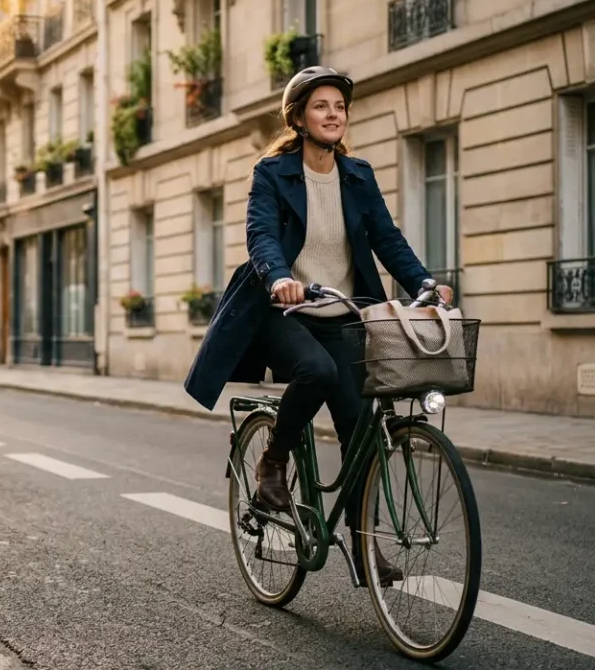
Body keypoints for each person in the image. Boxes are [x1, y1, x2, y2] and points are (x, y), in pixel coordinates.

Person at [183, 67, 453, 585]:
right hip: (283, 312)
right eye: (322, 106)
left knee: (360, 438)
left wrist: (424, 282)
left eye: (340, 107)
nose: (334, 115)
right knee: (317, 371)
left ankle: (365, 548)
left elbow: (387, 239)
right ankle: (272, 463)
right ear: (300, 118)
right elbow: (261, 235)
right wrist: (280, 277)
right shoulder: (272, 173)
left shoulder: (358, 175)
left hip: (344, 314)